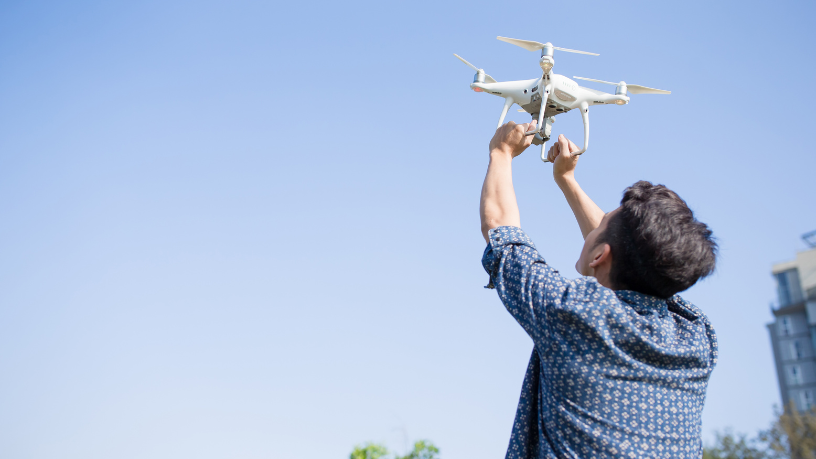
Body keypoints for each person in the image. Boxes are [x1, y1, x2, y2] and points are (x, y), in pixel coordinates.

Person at [479, 119, 718, 459]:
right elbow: (641, 262)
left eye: (602, 222)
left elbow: (502, 233)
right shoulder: (697, 338)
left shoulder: (574, 314)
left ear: (600, 255)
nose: (596, 224)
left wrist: (501, 152)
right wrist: (567, 181)